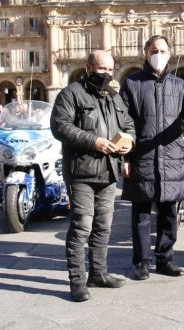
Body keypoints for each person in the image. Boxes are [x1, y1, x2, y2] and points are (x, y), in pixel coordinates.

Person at [120, 35, 184, 280]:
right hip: (141, 156)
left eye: (163, 50)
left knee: (169, 213)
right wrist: (125, 157)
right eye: (154, 50)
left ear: (170, 54)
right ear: (145, 52)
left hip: (171, 157)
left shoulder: (179, 84)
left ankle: (165, 259)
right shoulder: (131, 83)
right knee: (141, 214)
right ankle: (142, 262)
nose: (158, 54)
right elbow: (123, 120)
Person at [51, 50, 136, 302]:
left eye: (110, 69)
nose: (107, 74)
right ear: (88, 68)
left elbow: (128, 124)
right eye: (101, 69)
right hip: (82, 172)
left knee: (103, 226)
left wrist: (129, 143)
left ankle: (98, 273)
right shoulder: (70, 94)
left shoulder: (113, 96)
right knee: (82, 226)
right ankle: (77, 280)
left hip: (109, 171)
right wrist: (94, 141)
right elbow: (60, 126)